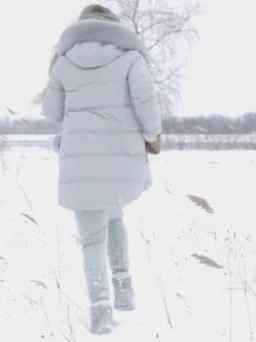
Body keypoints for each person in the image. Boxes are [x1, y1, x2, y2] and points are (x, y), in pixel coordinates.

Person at [38, 4, 162, 335]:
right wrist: (153, 137)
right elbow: (146, 100)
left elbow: (51, 112)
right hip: (121, 159)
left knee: (92, 238)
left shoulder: (64, 62)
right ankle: (124, 291)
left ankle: (101, 309)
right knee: (116, 217)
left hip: (81, 161)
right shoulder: (131, 57)